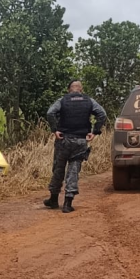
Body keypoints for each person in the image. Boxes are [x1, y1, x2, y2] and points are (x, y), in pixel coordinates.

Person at [44, 80, 107, 213]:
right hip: (80, 141)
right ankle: (68, 203)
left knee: (58, 169)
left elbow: (50, 113)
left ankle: (53, 199)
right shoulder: (89, 101)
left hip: (63, 140)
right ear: (81, 89)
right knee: (73, 170)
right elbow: (102, 114)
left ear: (69, 90)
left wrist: (55, 130)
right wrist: (95, 131)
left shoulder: (62, 100)